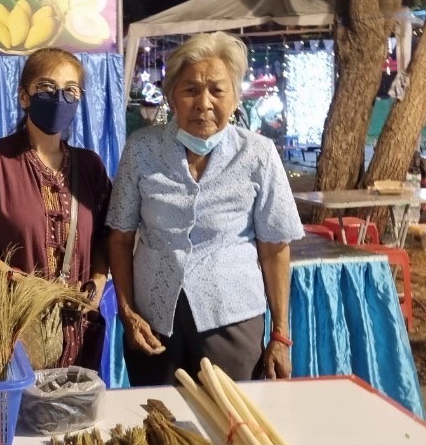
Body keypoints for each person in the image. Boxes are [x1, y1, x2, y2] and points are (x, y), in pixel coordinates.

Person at [107, 31, 304, 385]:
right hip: (153, 322)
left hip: (233, 318)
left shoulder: (258, 154)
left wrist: (280, 335)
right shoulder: (141, 149)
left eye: (217, 90)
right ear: (171, 96)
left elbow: (275, 248)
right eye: (190, 90)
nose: (204, 103)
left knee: (231, 414)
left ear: (236, 97)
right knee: (157, 415)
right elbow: (120, 238)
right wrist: (127, 314)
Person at [0, 47, 112, 368]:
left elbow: (105, 237)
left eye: (71, 90)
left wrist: (98, 282)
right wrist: (18, 280)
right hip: (15, 325)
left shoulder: (90, 166)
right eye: (47, 88)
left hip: (78, 329)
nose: (60, 98)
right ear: (25, 97)